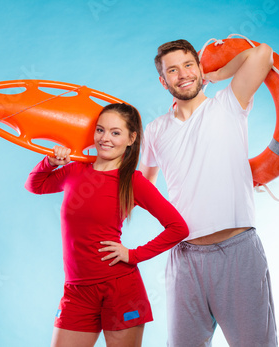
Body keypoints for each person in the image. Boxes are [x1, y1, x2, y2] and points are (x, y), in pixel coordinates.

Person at [139, 39, 278, 346]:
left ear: (200, 68)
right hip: (184, 258)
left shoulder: (229, 104)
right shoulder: (155, 130)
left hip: (238, 251)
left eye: (189, 65)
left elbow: (263, 54)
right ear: (163, 82)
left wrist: (217, 74)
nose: (183, 74)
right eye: (172, 70)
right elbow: (142, 188)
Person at [25, 103, 189, 347]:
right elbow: (35, 186)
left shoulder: (133, 181)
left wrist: (133, 255)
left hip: (121, 290)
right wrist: (50, 162)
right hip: (77, 291)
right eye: (100, 130)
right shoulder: (75, 170)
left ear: (131, 138)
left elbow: (178, 228)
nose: (105, 138)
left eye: (115, 132)